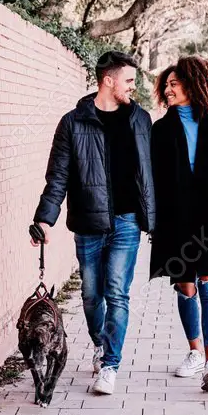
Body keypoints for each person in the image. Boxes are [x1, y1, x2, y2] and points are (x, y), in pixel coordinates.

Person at [31, 51, 155, 396]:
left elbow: (150, 173)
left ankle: (110, 364)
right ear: (108, 80)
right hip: (88, 221)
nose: (133, 87)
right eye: (129, 80)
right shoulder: (73, 122)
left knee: (117, 292)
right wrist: (45, 218)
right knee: (90, 295)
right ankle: (101, 344)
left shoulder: (139, 119)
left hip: (128, 221)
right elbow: (58, 176)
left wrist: (157, 218)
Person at [149, 56, 208, 393]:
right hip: (177, 220)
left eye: (175, 84)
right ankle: (193, 350)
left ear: (193, 85)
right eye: (168, 84)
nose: (169, 89)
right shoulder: (159, 130)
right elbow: (152, 176)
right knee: (185, 286)